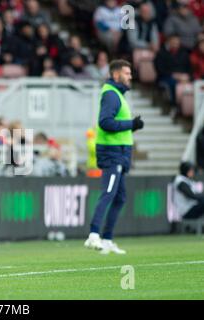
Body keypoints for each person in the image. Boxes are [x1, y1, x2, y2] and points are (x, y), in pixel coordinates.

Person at [84, 60, 144, 255]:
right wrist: (131, 124)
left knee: (120, 198)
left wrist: (131, 126)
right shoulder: (111, 94)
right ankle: (93, 235)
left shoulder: (117, 94)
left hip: (120, 152)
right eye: (127, 73)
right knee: (108, 193)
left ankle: (107, 239)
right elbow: (105, 123)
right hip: (112, 153)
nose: (130, 76)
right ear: (116, 74)